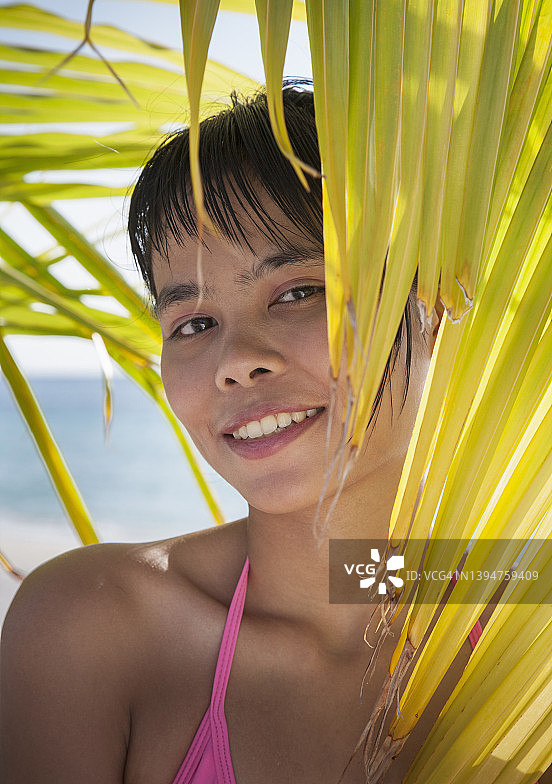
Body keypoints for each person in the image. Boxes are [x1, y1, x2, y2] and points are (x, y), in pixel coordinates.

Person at [0, 81, 538, 784]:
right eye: (193, 324)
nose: (235, 362)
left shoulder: (527, 649)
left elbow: (372, 576)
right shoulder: (94, 627)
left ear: (430, 305)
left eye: (296, 292)